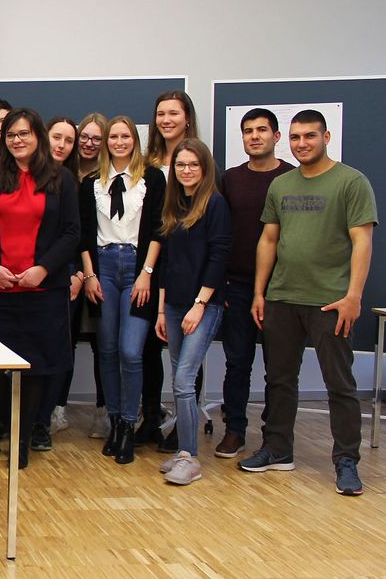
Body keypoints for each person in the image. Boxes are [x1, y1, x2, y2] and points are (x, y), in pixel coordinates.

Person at [240, 110, 377, 497]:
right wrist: (259, 292)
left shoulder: (351, 182)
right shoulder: (281, 185)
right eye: (296, 137)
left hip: (331, 301)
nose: (302, 144)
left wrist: (354, 297)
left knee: (340, 384)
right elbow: (268, 240)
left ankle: (346, 461)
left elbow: (362, 241)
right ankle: (278, 449)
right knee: (279, 380)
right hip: (282, 298)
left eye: (310, 136)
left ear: (326, 136)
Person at [0, 108, 79, 468]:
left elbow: (71, 234)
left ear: (38, 137)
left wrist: (42, 270)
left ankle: (21, 442)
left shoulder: (62, 179)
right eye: (11, 134)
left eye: (24, 134)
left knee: (34, 369)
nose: (17, 140)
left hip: (42, 293)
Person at [79, 114, 165, 465]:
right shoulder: (91, 183)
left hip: (136, 267)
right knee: (108, 349)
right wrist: (89, 276)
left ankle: (130, 422)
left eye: (125, 136)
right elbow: (84, 234)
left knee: (132, 351)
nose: (118, 142)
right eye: (112, 137)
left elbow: (159, 229)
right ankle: (115, 420)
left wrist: (146, 273)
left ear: (135, 140)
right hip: (103, 267)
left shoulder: (152, 178)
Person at [215, 108, 292, 458]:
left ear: (276, 136)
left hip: (283, 288)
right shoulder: (229, 179)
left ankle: (274, 437)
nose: (254, 136)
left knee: (278, 367)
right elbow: (217, 234)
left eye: (262, 130)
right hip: (237, 285)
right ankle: (234, 430)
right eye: (248, 131)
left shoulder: (292, 178)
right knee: (238, 362)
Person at [153, 138, 231, 485]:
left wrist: (199, 306)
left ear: (205, 168)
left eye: (193, 165)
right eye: (180, 165)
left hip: (204, 305)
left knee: (185, 380)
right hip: (172, 304)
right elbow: (167, 263)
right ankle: (183, 450)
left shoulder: (215, 205)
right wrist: (160, 312)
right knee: (178, 379)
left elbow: (219, 259)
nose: (186, 171)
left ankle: (190, 456)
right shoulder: (175, 206)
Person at [140, 90, 200, 452]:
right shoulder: (145, 161)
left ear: (187, 118)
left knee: (186, 354)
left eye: (173, 113)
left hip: (184, 267)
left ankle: (183, 426)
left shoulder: (198, 159)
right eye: (160, 113)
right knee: (148, 347)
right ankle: (151, 417)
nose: (166, 120)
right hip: (149, 264)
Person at [31, 116, 82, 451]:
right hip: (27, 277)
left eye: (68, 140)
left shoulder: (74, 181)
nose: (61, 145)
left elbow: (78, 233)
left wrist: (77, 273)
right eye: (56, 137)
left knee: (54, 353)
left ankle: (41, 422)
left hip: (63, 278)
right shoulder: (23, 178)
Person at [75, 112, 108, 439]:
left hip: (101, 270)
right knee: (66, 340)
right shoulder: (64, 171)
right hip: (71, 271)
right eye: (84, 136)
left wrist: (90, 273)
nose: (89, 143)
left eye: (97, 138)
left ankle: (103, 410)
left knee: (102, 342)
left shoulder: (109, 178)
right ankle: (55, 411)